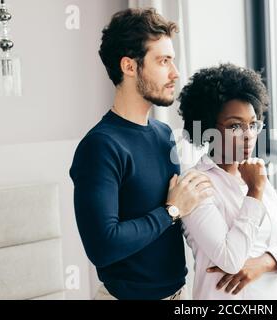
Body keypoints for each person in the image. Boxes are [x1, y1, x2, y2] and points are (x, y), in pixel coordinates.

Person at [69, 8, 213, 300]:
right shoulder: (100, 146)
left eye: (173, 61)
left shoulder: (162, 135)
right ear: (129, 66)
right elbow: (103, 247)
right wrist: (171, 211)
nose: (175, 73)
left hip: (178, 294)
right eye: (163, 61)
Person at [178, 63, 277, 300]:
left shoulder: (255, 174)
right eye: (235, 126)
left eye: (253, 124)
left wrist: (263, 263)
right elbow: (230, 258)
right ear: (207, 128)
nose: (249, 135)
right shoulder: (195, 184)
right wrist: (255, 192)